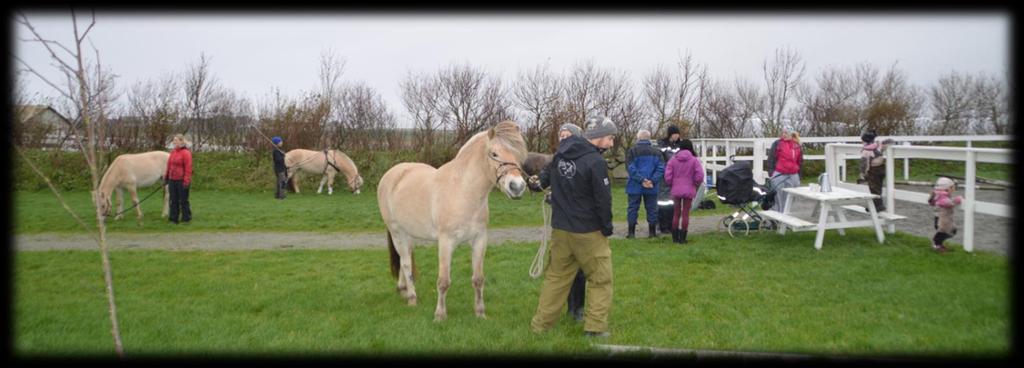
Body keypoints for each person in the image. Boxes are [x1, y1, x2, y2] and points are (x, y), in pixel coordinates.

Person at [531, 116, 617, 338]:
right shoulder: (596, 163)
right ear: (597, 138)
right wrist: (607, 228)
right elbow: (603, 201)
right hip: (588, 232)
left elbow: (546, 181)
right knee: (600, 279)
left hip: (560, 230)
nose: (612, 143)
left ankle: (540, 326)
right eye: (609, 138)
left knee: (556, 278)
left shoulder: (560, 155)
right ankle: (595, 328)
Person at [528, 122, 588, 322]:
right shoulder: (555, 161)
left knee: (579, 269)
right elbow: (543, 182)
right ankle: (552, 313)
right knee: (558, 269)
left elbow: (584, 193)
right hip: (560, 224)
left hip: (581, 225)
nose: (563, 138)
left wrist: (558, 197)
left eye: (567, 134)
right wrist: (534, 183)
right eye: (561, 135)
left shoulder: (587, 160)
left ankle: (577, 309)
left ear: (577, 137)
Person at [625, 129, 665, 239]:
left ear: (638, 138)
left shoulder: (632, 151)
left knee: (633, 208)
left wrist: (641, 180)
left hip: (634, 185)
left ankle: (631, 233)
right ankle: (652, 233)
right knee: (652, 208)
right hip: (652, 185)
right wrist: (652, 180)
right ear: (649, 138)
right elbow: (661, 168)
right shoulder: (657, 152)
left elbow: (630, 168)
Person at [664, 144, 705, 244]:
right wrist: (694, 183)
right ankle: (683, 238)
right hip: (689, 188)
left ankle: (674, 238)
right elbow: (700, 175)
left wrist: (671, 184)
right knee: (685, 213)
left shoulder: (673, 160)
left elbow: (667, 176)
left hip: (676, 189)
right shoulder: (694, 160)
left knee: (676, 213)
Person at [766, 125, 803, 213]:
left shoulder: (797, 145)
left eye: (786, 133)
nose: (783, 134)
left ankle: (786, 216)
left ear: (791, 134)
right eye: (782, 132)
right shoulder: (777, 144)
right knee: (777, 196)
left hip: (793, 175)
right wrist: (771, 173)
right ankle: (776, 217)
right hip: (779, 174)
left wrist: (799, 175)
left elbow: (800, 161)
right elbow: (771, 159)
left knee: (790, 197)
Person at [858, 131, 895, 211]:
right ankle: (877, 204)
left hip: (873, 170)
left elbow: (863, 163)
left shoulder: (866, 150)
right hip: (881, 168)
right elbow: (888, 142)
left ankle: (878, 205)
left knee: (874, 188)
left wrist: (862, 172)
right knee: (879, 186)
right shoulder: (878, 146)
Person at [928, 177, 963, 253]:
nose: (954, 189)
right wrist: (957, 200)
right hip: (942, 219)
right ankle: (936, 244)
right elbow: (948, 203)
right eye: (953, 187)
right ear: (947, 188)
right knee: (945, 231)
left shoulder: (939, 195)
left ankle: (939, 244)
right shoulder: (942, 196)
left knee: (950, 230)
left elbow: (932, 202)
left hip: (943, 218)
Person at [165, 134, 193, 224]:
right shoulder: (173, 152)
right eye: (174, 140)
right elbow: (169, 165)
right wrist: (166, 177)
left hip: (182, 180)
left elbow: (188, 168)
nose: (174, 142)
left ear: (181, 141)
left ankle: (186, 218)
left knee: (183, 200)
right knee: (173, 200)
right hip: (172, 179)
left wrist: (186, 181)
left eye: (176, 140)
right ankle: (173, 219)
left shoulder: (186, 153)